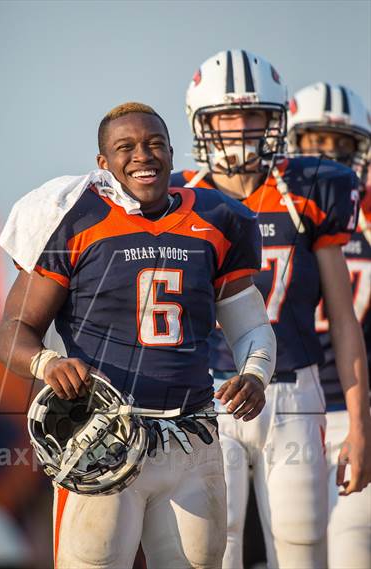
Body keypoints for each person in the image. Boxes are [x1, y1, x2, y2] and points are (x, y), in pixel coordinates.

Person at [0, 102, 277, 569]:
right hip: (101, 434)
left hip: (193, 438)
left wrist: (254, 373)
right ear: (103, 163)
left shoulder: (217, 219)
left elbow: (250, 327)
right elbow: (13, 332)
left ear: (171, 152)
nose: (142, 156)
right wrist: (48, 364)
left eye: (153, 144)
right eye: (125, 147)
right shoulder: (73, 219)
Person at [171, 50, 371, 569]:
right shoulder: (180, 199)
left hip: (294, 392)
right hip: (210, 395)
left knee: (302, 551)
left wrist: (360, 424)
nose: (240, 128)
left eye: (253, 115)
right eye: (226, 117)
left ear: (275, 119)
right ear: (202, 122)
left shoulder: (308, 189)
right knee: (216, 549)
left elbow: (346, 320)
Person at [288, 82, 371, 569]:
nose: (329, 157)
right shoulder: (270, 212)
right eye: (316, 143)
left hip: (348, 405)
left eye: (341, 144)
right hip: (279, 406)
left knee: (350, 551)